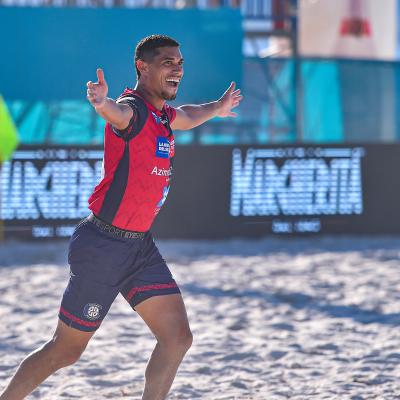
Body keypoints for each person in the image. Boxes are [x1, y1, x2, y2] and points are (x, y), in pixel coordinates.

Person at [0, 34, 242, 400]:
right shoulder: (134, 109)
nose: (177, 68)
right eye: (167, 62)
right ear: (142, 67)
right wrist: (102, 104)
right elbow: (118, 113)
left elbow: (189, 114)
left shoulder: (162, 115)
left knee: (177, 338)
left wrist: (218, 107)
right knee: (66, 350)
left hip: (139, 248)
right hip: (103, 246)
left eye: (180, 63)